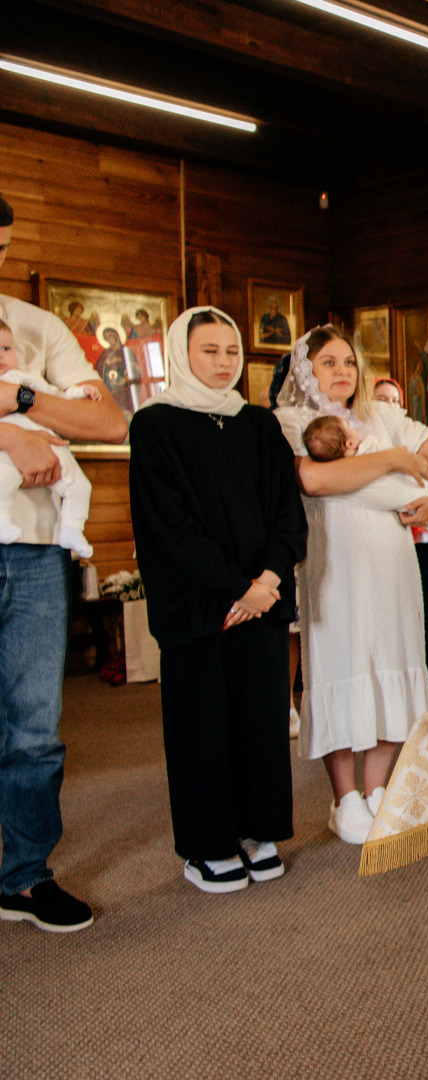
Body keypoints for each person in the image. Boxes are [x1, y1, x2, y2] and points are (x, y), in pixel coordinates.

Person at [128, 308, 307, 893]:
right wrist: (240, 587)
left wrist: (270, 580)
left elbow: (288, 512)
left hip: (261, 600)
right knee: (203, 724)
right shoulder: (155, 425)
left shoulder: (259, 425)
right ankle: (208, 845)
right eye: (210, 350)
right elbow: (169, 526)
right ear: (182, 353)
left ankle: (260, 832)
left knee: (260, 719)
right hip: (200, 605)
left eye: (232, 350)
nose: (224, 361)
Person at [0, 189, 127, 933]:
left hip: (38, 550)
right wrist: (11, 436)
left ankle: (23, 875)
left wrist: (19, 399)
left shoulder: (37, 327)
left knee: (34, 725)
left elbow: (106, 420)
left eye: (3, 251)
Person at [276, 326, 428, 844]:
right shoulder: (292, 420)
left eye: (349, 362)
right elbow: (316, 480)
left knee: (390, 660)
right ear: (306, 369)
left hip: (392, 559)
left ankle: (377, 790)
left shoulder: (382, 415)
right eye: (328, 362)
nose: (342, 372)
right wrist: (397, 462)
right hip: (335, 562)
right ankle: (344, 797)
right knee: (342, 664)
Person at [372, 377, 428, 685]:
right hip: (377, 533)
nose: (388, 406)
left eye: (394, 400)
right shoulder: (368, 433)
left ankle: (424, 675)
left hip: (419, 532)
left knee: (419, 603)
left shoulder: (410, 433)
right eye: (381, 399)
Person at [0, 319, 97, 557]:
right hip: (6, 450)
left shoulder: (27, 378)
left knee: (81, 486)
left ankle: (72, 529)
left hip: (49, 446)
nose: (1, 356)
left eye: (6, 349)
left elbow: (55, 395)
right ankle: (2, 522)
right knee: (4, 479)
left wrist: (79, 392)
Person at [301, 415, 428, 541]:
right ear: (349, 443)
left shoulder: (336, 473)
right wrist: (398, 455)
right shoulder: (369, 444)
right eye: (350, 428)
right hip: (413, 492)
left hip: (407, 499)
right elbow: (395, 452)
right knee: (425, 517)